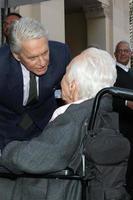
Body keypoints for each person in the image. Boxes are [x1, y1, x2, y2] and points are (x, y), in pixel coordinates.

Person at [0, 48, 130, 200]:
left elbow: (36, 158)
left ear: (72, 86)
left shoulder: (75, 116)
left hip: (54, 190)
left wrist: (5, 151)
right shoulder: (104, 110)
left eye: (65, 74)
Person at [0, 17, 71, 149]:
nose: (42, 62)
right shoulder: (1, 65)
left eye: (45, 53)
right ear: (16, 55)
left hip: (46, 127)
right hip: (6, 130)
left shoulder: (61, 54)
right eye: (32, 57)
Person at [113, 40, 133, 193]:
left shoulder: (132, 72)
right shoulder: (112, 73)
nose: (123, 53)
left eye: (126, 51)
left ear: (131, 54)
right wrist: (126, 103)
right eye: (120, 51)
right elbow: (108, 97)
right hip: (120, 124)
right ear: (115, 54)